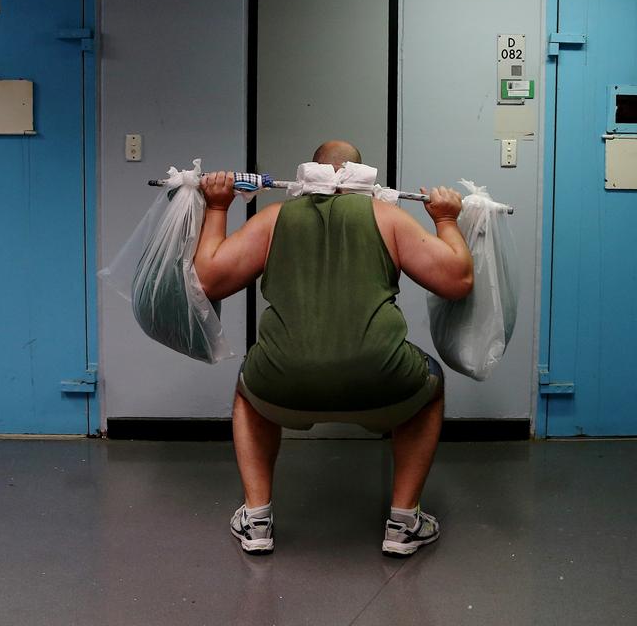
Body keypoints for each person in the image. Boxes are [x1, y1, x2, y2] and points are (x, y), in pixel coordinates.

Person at [193, 140, 473, 557]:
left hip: (281, 388)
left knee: (248, 389)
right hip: (383, 383)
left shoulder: (274, 219)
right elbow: (457, 281)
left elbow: (208, 281)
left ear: (309, 171)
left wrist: (217, 207)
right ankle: (404, 521)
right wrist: (447, 219)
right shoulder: (388, 217)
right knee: (429, 385)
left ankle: (256, 519)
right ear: (362, 175)